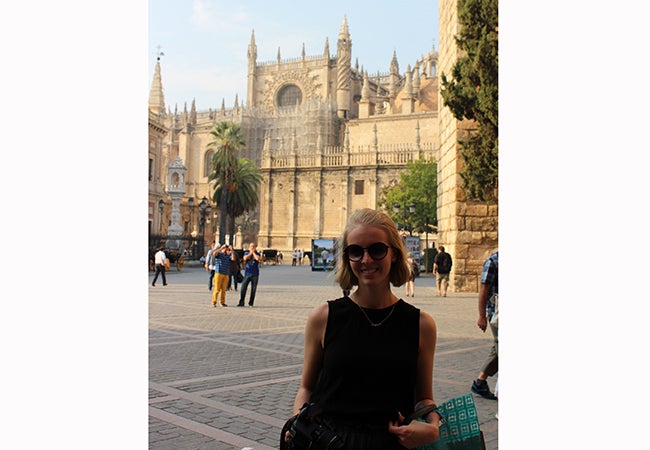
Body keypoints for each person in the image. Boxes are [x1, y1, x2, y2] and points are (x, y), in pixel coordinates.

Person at [285, 208, 441, 449]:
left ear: (395, 255)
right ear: (347, 258)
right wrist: (298, 425)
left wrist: (433, 427)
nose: (366, 260)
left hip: (392, 444)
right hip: (330, 443)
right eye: (356, 252)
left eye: (377, 250)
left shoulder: (421, 325)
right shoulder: (323, 318)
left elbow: (424, 399)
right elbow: (307, 387)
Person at [471, 250, 498, 400]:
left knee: (498, 348)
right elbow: (484, 289)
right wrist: (482, 316)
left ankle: (481, 381)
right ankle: (480, 381)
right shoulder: (493, 262)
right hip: (497, 314)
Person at [238, 242, 261, 307]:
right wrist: (251, 253)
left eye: (253, 247)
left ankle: (251, 303)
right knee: (243, 288)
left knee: (253, 289)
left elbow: (257, 259)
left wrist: (253, 253)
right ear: (249, 247)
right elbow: (245, 258)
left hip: (255, 274)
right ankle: (241, 302)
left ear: (255, 247)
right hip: (247, 273)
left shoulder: (258, 253)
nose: (252, 248)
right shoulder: (246, 253)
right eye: (251, 246)